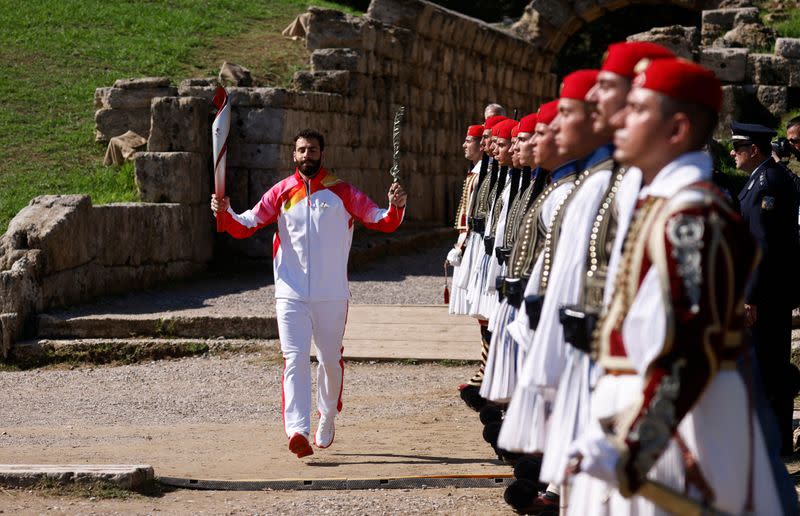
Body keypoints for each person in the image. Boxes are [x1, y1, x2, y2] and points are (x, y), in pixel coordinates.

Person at [568, 58, 796, 515]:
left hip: (671, 437)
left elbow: (692, 347)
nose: (618, 119)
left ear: (675, 129)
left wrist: (634, 447)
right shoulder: (665, 204)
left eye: (635, 109)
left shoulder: (691, 217)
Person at [210, 128, 407, 458]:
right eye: (301, 150)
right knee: (295, 358)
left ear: (322, 154)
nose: (306, 156)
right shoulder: (281, 192)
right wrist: (225, 211)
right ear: (294, 155)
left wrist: (396, 206)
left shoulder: (342, 192)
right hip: (291, 292)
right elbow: (247, 224)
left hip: (332, 294)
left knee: (330, 360)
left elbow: (380, 220)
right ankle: (297, 429)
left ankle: (327, 415)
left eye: (312, 150)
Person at [732, 120, 800, 455]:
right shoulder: (760, 180)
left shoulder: (767, 184)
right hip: (768, 292)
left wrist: (751, 297)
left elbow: (763, 246)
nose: (732, 154)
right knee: (768, 366)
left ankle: (775, 442)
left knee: (770, 367)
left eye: (738, 148)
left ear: (753, 150)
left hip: (768, 295)